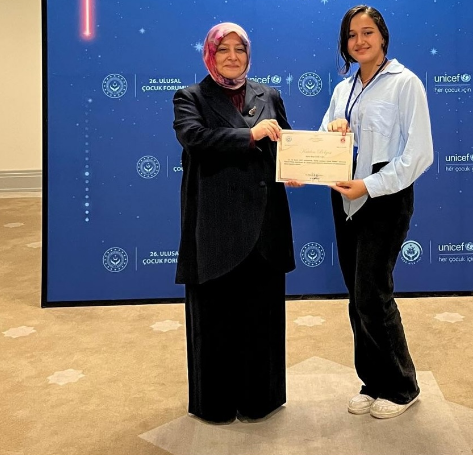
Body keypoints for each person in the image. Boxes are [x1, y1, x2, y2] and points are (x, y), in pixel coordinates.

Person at [172, 22, 295, 424]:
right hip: (215, 227)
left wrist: (298, 166)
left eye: (239, 49)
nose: (232, 56)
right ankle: (216, 405)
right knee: (216, 321)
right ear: (209, 54)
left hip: (264, 227)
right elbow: (195, 138)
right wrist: (250, 135)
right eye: (222, 49)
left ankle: (261, 399)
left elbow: (287, 145)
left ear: (248, 54)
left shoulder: (269, 95)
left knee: (262, 318)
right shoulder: (190, 97)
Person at [320, 5, 434, 419]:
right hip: (346, 200)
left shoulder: (405, 83)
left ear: (382, 36)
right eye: (352, 35)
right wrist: (328, 136)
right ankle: (372, 380)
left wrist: (369, 185)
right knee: (357, 296)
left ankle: (403, 386)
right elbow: (323, 139)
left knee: (373, 293)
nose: (360, 41)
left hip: (385, 198)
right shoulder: (343, 90)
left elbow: (419, 153)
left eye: (367, 32)